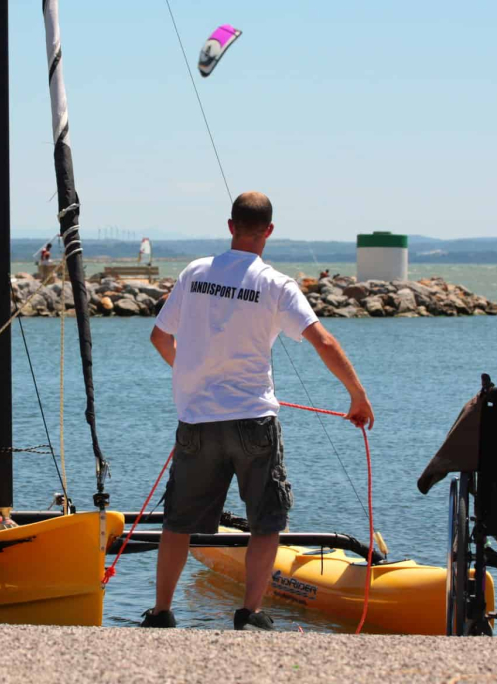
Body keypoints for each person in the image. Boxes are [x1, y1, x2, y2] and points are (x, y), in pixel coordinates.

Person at [142, 191, 374, 631]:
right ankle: (249, 613)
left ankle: (160, 612)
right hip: (253, 420)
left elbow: (159, 337)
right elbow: (323, 341)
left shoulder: (194, 273)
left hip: (197, 421)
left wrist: (191, 374)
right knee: (266, 522)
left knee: (176, 522)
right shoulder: (276, 284)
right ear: (269, 231)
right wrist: (357, 396)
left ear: (230, 226)